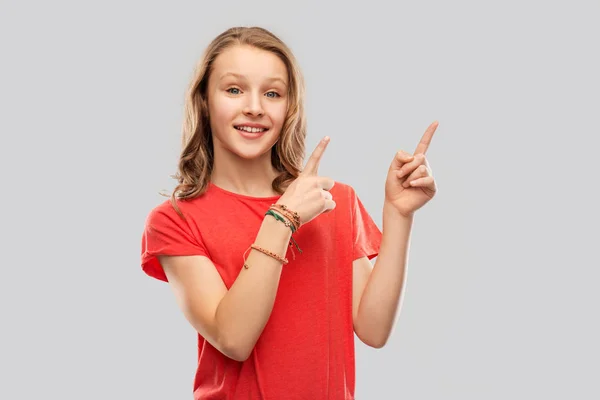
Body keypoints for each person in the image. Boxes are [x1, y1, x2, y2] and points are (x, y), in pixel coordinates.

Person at [140, 26, 438, 400]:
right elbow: (234, 338)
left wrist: (398, 215)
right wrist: (282, 219)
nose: (255, 106)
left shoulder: (331, 200)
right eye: (234, 89)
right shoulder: (175, 220)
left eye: (272, 93)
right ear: (204, 101)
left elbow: (374, 330)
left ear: (288, 107)